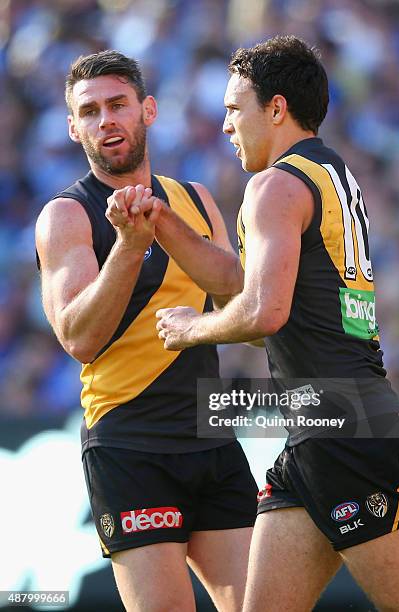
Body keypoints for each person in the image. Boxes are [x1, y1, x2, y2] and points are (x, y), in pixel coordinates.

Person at [154, 36, 399, 611]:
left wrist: (191, 328)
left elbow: (265, 310)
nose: (225, 126)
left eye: (234, 109)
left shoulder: (274, 185)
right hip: (323, 420)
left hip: (339, 421)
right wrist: (166, 226)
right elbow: (260, 286)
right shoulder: (331, 173)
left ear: (277, 108)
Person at [35, 50, 258, 612]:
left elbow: (238, 298)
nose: (105, 120)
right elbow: (79, 338)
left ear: (148, 110)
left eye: (117, 105)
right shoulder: (67, 215)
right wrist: (131, 249)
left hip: (210, 434)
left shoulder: (194, 198)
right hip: (130, 442)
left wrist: (166, 229)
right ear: (72, 126)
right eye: (89, 111)